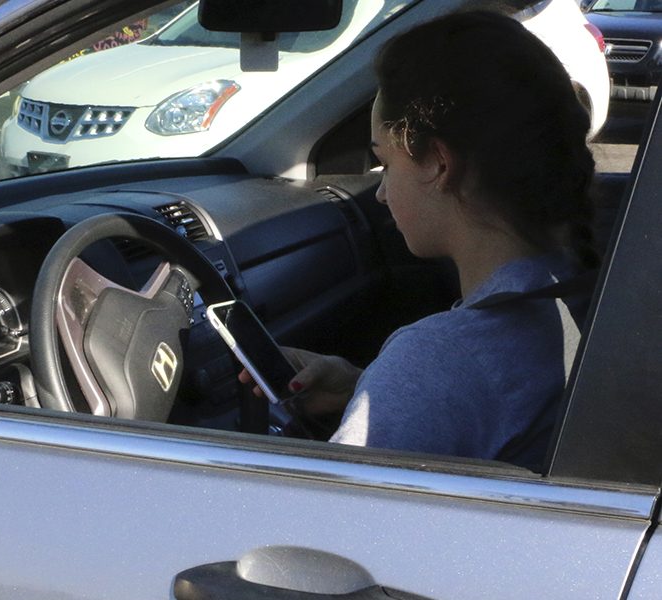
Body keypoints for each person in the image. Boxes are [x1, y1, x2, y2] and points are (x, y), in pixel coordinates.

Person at [241, 10, 597, 470]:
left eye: (385, 162)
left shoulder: (438, 359)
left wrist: (399, 389)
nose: (383, 193)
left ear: (437, 164)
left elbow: (324, 532)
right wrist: (365, 389)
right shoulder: (583, 298)